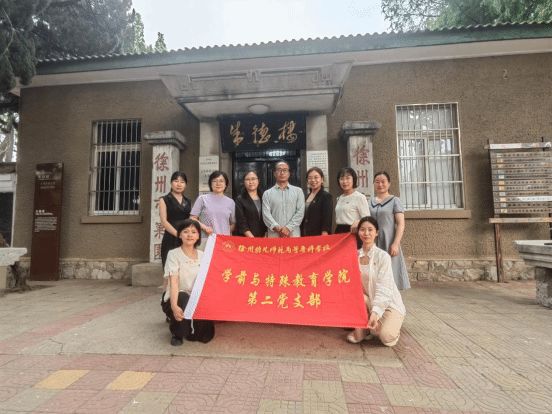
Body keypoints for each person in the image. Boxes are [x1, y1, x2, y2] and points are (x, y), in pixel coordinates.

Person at [347, 216, 406, 347]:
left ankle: (391, 324)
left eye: (370, 230)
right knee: (358, 299)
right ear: (358, 232)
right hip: (366, 301)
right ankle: (366, 329)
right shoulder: (354, 256)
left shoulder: (383, 257)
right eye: (362, 229)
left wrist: (375, 312)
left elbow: (384, 289)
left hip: (388, 303)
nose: (366, 233)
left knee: (386, 337)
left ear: (377, 233)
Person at [161, 220, 215, 346]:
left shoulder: (203, 255)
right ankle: (177, 334)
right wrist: (174, 307)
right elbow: (174, 282)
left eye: (193, 232)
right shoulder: (173, 254)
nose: (189, 235)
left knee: (204, 336)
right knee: (183, 297)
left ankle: (191, 325)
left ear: (198, 236)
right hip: (176, 297)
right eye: (185, 231)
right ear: (180, 235)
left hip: (195, 298)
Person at [369, 171, 410, 290]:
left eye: (383, 182)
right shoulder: (369, 202)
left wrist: (395, 243)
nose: (380, 185)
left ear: (389, 183)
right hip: (372, 242)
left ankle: (392, 299)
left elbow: (401, 223)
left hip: (388, 241)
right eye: (377, 182)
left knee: (391, 273)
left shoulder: (395, 201)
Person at [159, 171, 192, 295]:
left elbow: (191, 220)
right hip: (171, 239)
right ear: (171, 183)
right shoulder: (164, 199)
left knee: (184, 271)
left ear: (185, 185)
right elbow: (164, 221)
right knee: (169, 273)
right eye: (176, 181)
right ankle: (165, 300)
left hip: (186, 240)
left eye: (182, 182)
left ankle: (181, 299)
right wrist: (179, 235)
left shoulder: (188, 201)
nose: (179, 184)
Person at [190, 170, 235, 250]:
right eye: (215, 181)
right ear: (210, 184)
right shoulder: (202, 199)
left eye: (221, 181)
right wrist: (204, 228)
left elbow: (233, 223)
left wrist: (224, 233)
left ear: (226, 184)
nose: (218, 184)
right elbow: (192, 218)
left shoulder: (231, 202)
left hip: (223, 242)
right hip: (205, 240)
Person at [262, 161, 305, 238]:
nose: (282, 173)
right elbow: (266, 214)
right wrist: (277, 228)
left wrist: (288, 228)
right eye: (279, 170)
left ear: (289, 173)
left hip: (293, 235)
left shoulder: (298, 191)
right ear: (275, 173)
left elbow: (300, 212)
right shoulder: (267, 194)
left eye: (285, 170)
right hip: (274, 236)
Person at [334, 167, 370, 248]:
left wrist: (358, 221)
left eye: (348, 178)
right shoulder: (339, 198)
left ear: (353, 179)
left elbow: (367, 218)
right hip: (339, 232)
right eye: (342, 179)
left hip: (352, 233)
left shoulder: (359, 197)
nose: (345, 181)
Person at [301, 167, 333, 236]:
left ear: (322, 179)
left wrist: (325, 232)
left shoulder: (326, 196)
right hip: (305, 234)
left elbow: (327, 218)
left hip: (318, 234)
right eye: (310, 178)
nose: (313, 180)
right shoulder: (306, 197)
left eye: (316, 177)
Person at [234, 170, 267, 237]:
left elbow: (267, 218)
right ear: (244, 182)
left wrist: (266, 234)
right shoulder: (240, 199)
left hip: (263, 237)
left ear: (258, 181)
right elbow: (241, 221)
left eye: (253, 179)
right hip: (246, 238)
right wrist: (252, 238)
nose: (251, 182)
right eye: (247, 179)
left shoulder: (264, 197)